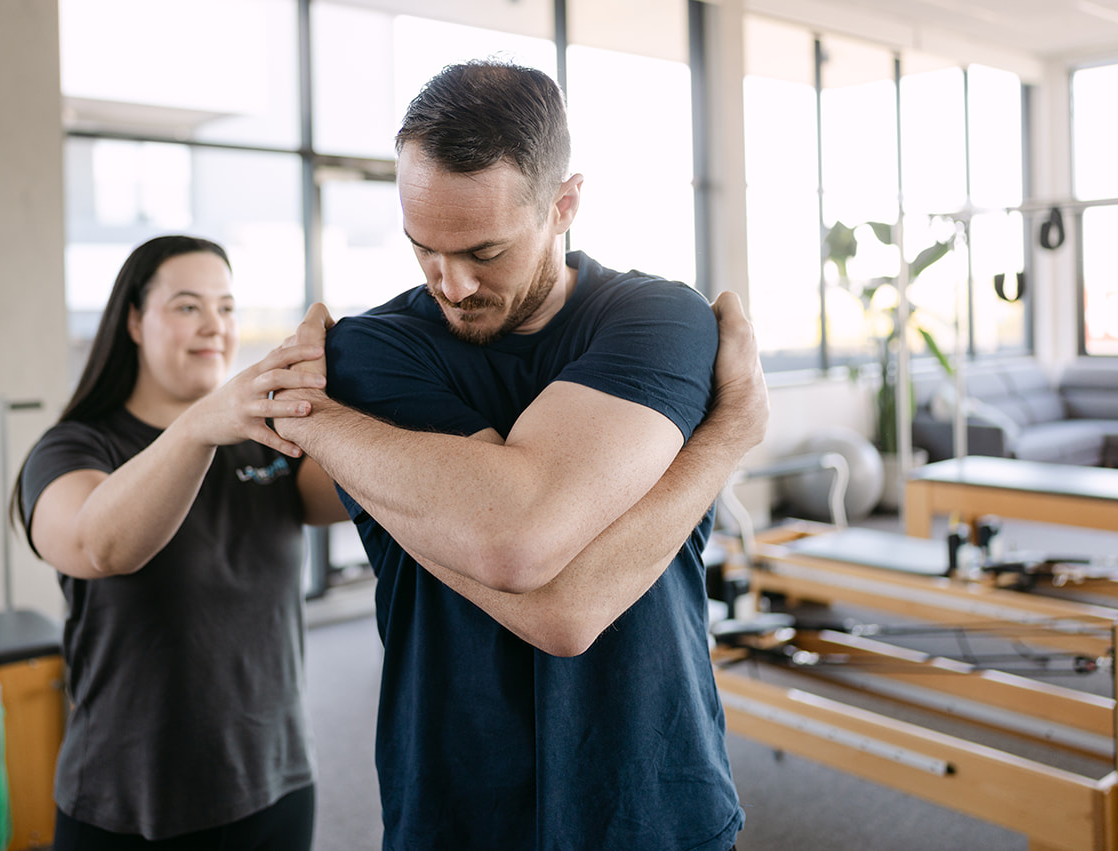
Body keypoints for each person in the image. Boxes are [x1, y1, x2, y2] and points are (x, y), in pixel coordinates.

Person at [270, 61, 770, 850]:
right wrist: (724, 439)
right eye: (423, 248)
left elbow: (526, 556)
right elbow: (544, 585)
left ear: (563, 204)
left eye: (485, 250)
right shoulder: (372, 349)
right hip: (455, 809)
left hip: (655, 798)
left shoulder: (658, 320)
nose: (452, 283)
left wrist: (330, 429)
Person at [14, 234, 349, 851]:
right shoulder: (74, 447)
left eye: (226, 307)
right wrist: (201, 424)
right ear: (134, 321)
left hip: (275, 783)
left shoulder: (260, 439)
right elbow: (97, 546)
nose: (214, 325)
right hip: (129, 803)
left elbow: (361, 493)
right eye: (188, 306)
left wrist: (357, 377)